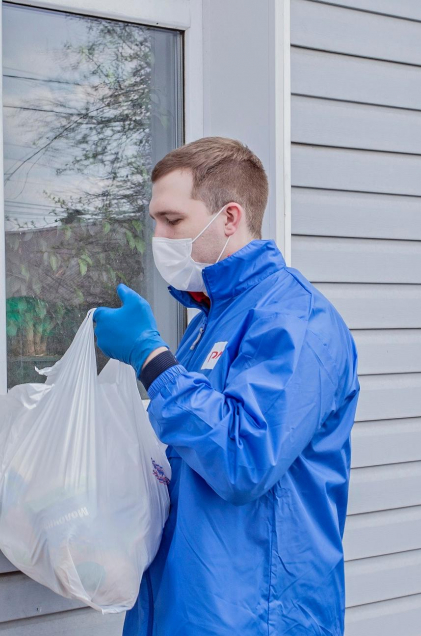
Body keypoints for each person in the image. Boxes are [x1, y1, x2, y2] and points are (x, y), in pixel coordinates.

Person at [93, 137, 360, 635]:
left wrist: (152, 359)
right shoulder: (208, 321)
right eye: (154, 221)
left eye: (172, 221)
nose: (158, 235)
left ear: (230, 218)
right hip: (183, 607)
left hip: (256, 617)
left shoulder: (296, 321)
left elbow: (244, 459)